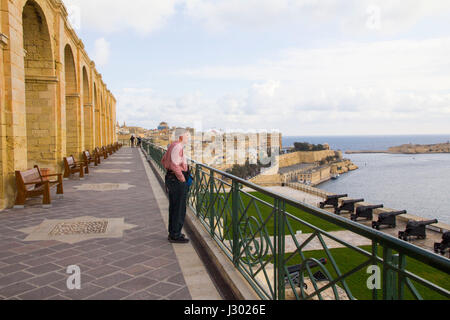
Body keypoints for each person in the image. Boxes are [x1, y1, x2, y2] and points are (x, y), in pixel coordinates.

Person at [161, 129, 191, 244]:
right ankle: (175, 235)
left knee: (174, 207)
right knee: (179, 208)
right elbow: (174, 165)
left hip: (171, 178)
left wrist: (169, 172)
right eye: (187, 136)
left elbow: (163, 160)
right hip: (177, 180)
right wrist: (182, 179)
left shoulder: (172, 146)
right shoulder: (178, 147)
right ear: (181, 137)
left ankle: (173, 232)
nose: (188, 138)